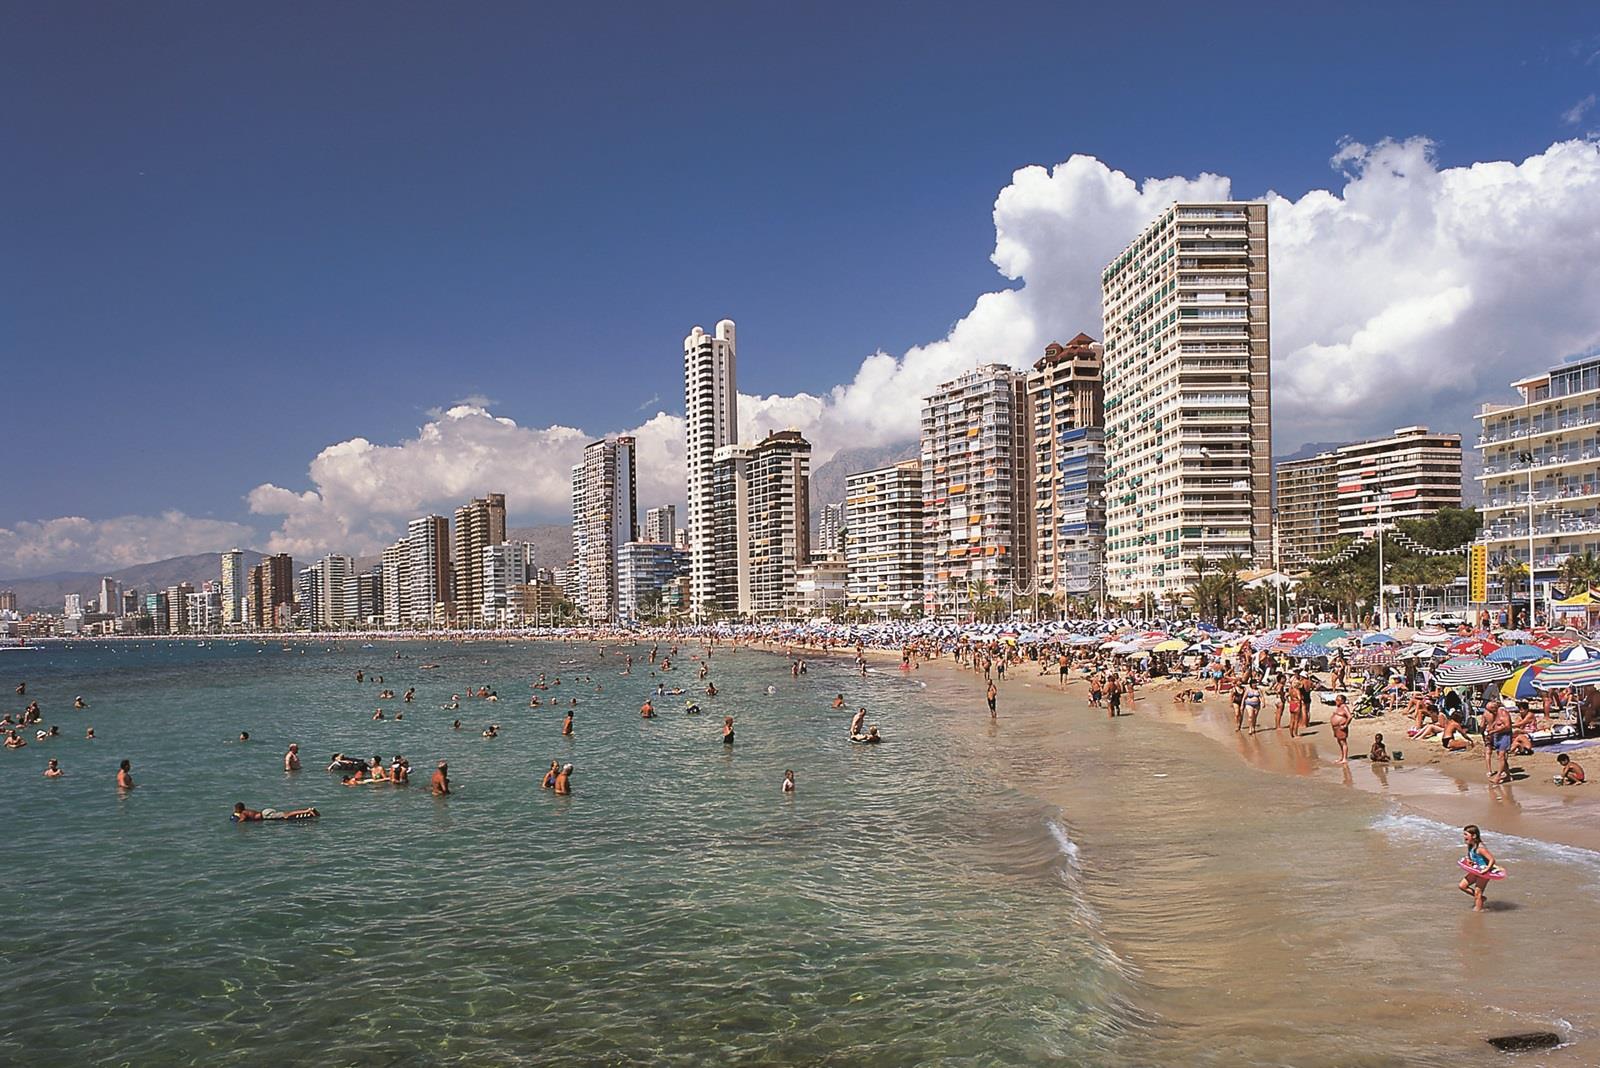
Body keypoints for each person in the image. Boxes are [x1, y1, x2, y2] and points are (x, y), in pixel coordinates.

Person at [1457, 825, 1498, 912]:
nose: (1464, 837)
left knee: (1477, 893)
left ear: (1474, 836)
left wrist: (1486, 870)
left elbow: (1492, 860)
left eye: (1466, 834)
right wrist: (1469, 861)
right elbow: (1473, 857)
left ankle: (1478, 912)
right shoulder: (1471, 846)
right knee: (1462, 886)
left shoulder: (1480, 848)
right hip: (1476, 870)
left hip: (1484, 873)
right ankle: (1481, 898)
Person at [232, 802, 319, 821]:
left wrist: (238, 823)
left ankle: (307, 810)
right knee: (285, 815)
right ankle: (308, 812)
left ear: (238, 809)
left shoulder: (243, 813)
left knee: (286, 815)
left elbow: (242, 819)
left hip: (266, 815)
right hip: (264, 812)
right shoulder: (247, 810)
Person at [1329, 695, 1352, 765]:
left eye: (1338, 700)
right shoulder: (1339, 707)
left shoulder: (1344, 707)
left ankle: (1344, 758)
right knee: (1339, 742)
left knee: (1343, 742)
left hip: (1341, 727)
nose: (1336, 701)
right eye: (1336, 700)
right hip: (1336, 728)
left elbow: (1350, 716)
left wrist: (1345, 725)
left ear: (1342, 701)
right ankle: (1342, 757)